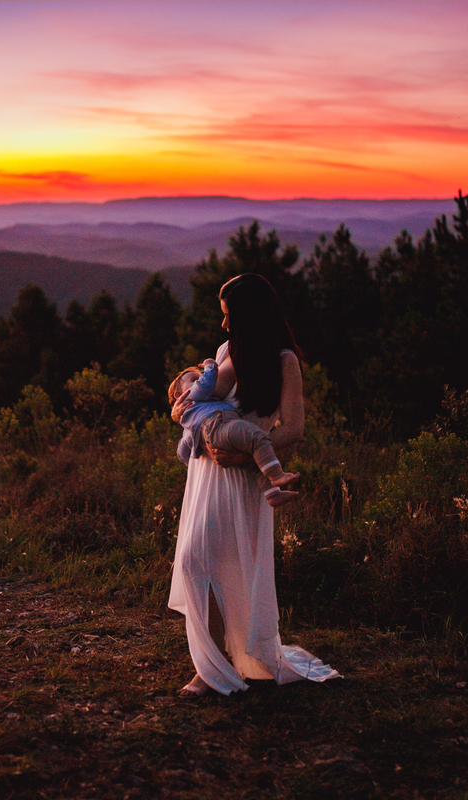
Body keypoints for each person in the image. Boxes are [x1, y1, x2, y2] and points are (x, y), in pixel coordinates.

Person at [168, 273, 339, 697]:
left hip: (246, 476)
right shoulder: (227, 350)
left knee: (230, 567)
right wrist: (183, 411)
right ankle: (211, 664)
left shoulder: (284, 361)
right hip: (207, 472)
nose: (223, 326)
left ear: (252, 317)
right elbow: (197, 405)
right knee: (194, 561)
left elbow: (294, 427)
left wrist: (246, 455)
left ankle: (222, 664)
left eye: (230, 317)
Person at [168, 359, 300, 508]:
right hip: (218, 424)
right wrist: (211, 367)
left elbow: (184, 448)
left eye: (200, 375)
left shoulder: (189, 420)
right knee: (256, 438)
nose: (200, 378)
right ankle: (277, 475)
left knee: (255, 460)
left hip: (219, 427)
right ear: (180, 395)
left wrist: (188, 458)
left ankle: (273, 494)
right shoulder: (192, 397)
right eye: (194, 379)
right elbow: (205, 385)